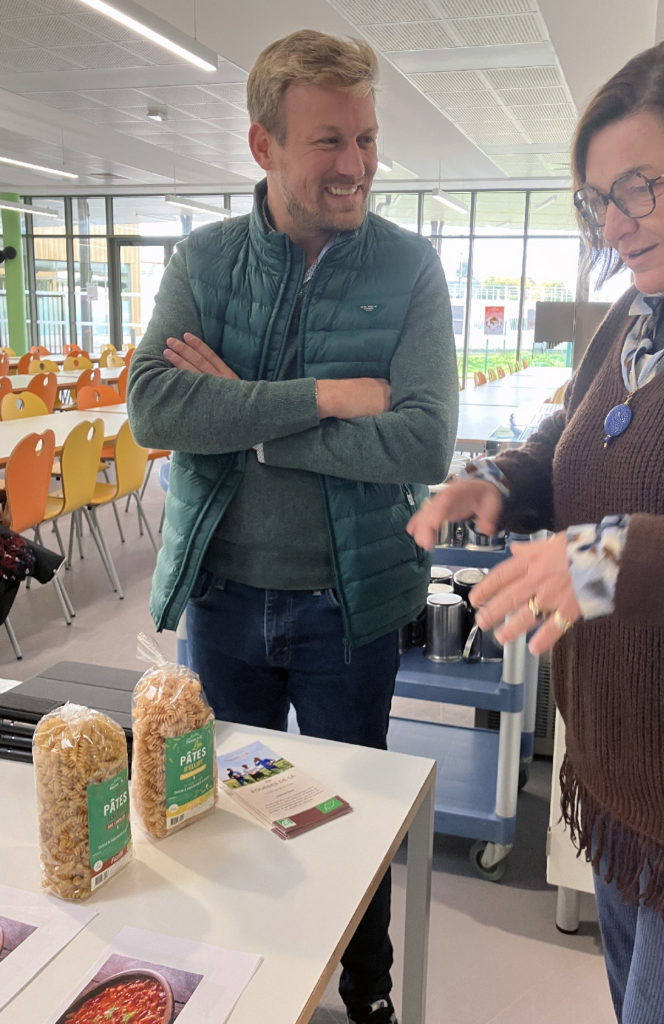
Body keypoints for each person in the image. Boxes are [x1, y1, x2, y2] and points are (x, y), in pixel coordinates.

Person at [408, 30, 664, 1024]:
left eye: (639, 189)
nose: (613, 224)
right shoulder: (635, 315)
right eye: (597, 200)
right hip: (618, 790)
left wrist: (609, 559)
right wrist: (505, 482)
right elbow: (580, 434)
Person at [127, 28, 457, 1024]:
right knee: (222, 818)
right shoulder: (205, 259)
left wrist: (258, 426)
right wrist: (320, 396)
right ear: (265, 145)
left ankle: (368, 998)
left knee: (348, 828)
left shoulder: (410, 270)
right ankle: (249, 988)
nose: (355, 164)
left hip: (349, 608)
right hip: (223, 604)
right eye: (328, 140)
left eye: (365, 138)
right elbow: (154, 408)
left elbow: (423, 442)